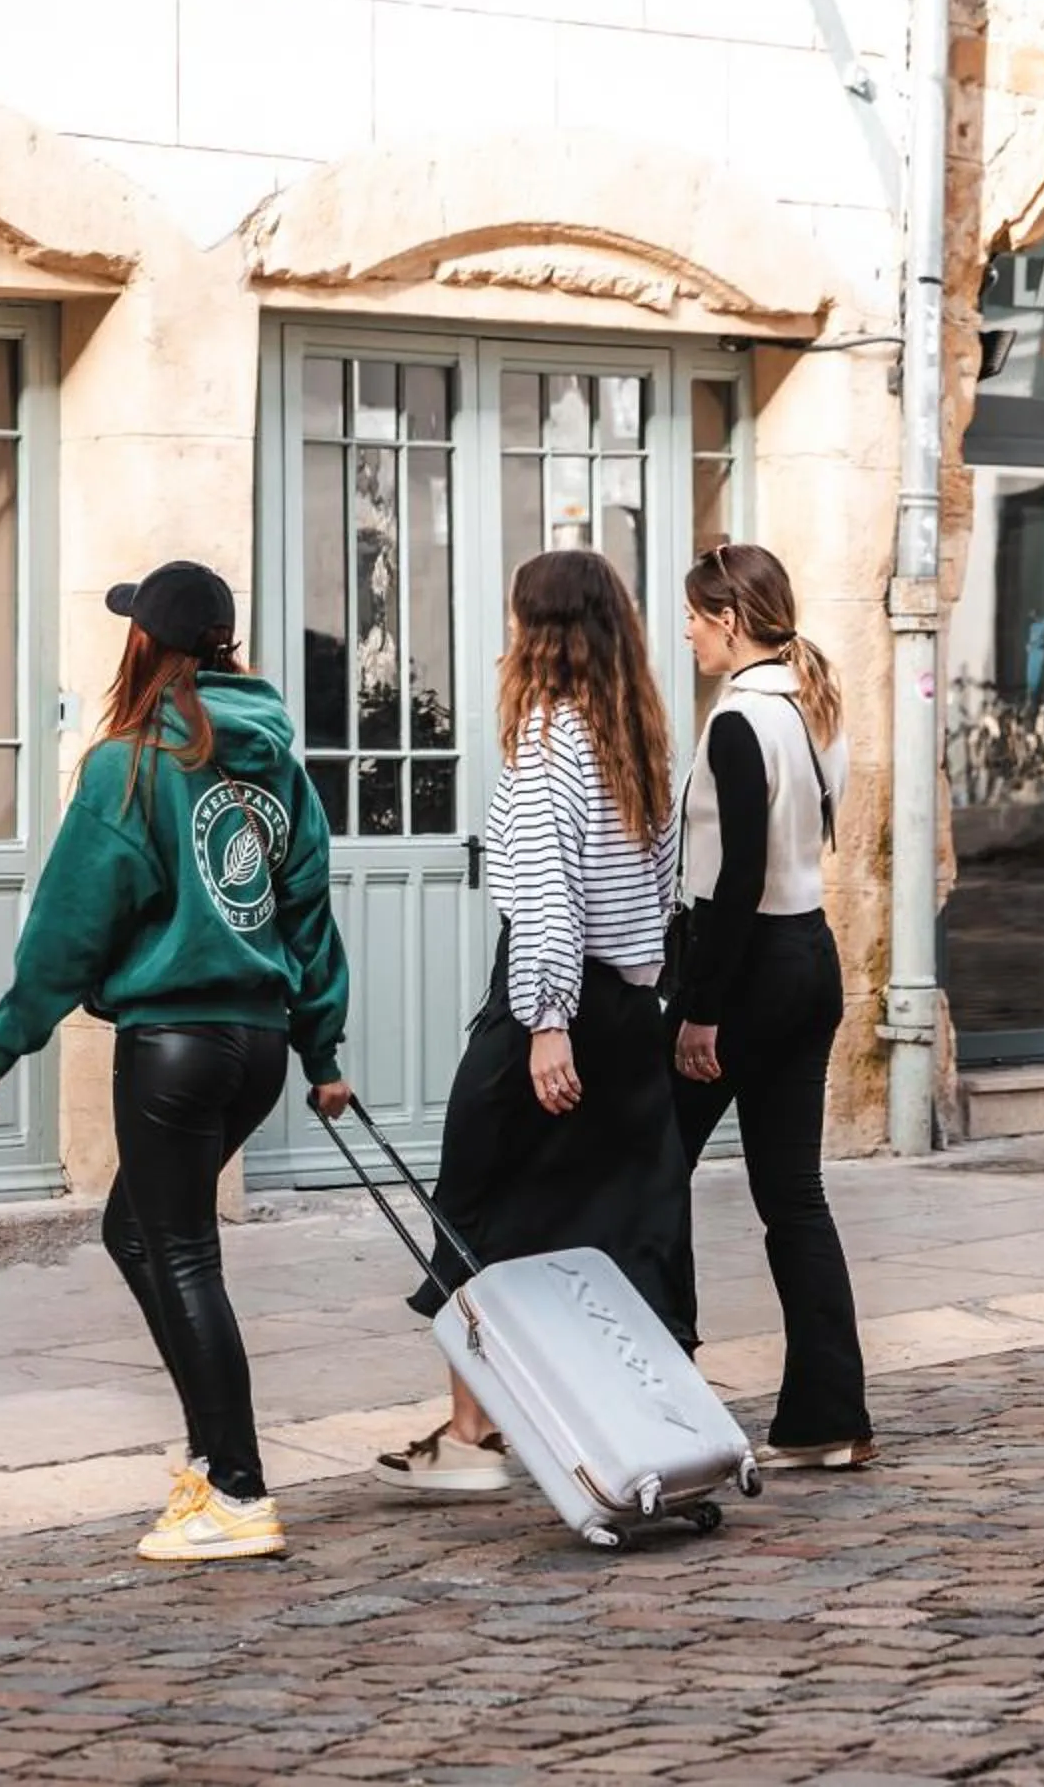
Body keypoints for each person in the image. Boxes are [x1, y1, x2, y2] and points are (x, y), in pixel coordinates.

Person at [0, 561, 352, 1564]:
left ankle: (236, 1485)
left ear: (152, 644)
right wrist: (322, 1046)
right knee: (135, 1232)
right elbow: (309, 908)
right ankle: (211, 1454)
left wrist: (8, 1040)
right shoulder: (278, 758)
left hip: (174, 1044)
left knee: (178, 1250)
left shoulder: (128, 764)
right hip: (257, 1044)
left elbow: (69, 922)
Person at [380, 547, 685, 1500]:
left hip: (551, 1004)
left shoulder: (549, 735)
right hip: (630, 1005)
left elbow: (548, 894)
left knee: (475, 1203)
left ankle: (473, 1437)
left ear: (536, 633)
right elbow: (661, 887)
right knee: (612, 1215)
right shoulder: (638, 735)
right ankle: (635, 1413)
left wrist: (546, 1021)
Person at [669, 542, 874, 1469]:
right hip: (809, 956)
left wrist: (700, 1012)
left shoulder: (740, 719)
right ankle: (832, 1416)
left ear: (729, 619)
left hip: (745, 970)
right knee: (795, 1197)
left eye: (694, 616)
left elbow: (736, 875)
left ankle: (660, 1396)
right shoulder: (813, 704)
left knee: (645, 1168)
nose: (685, 633)